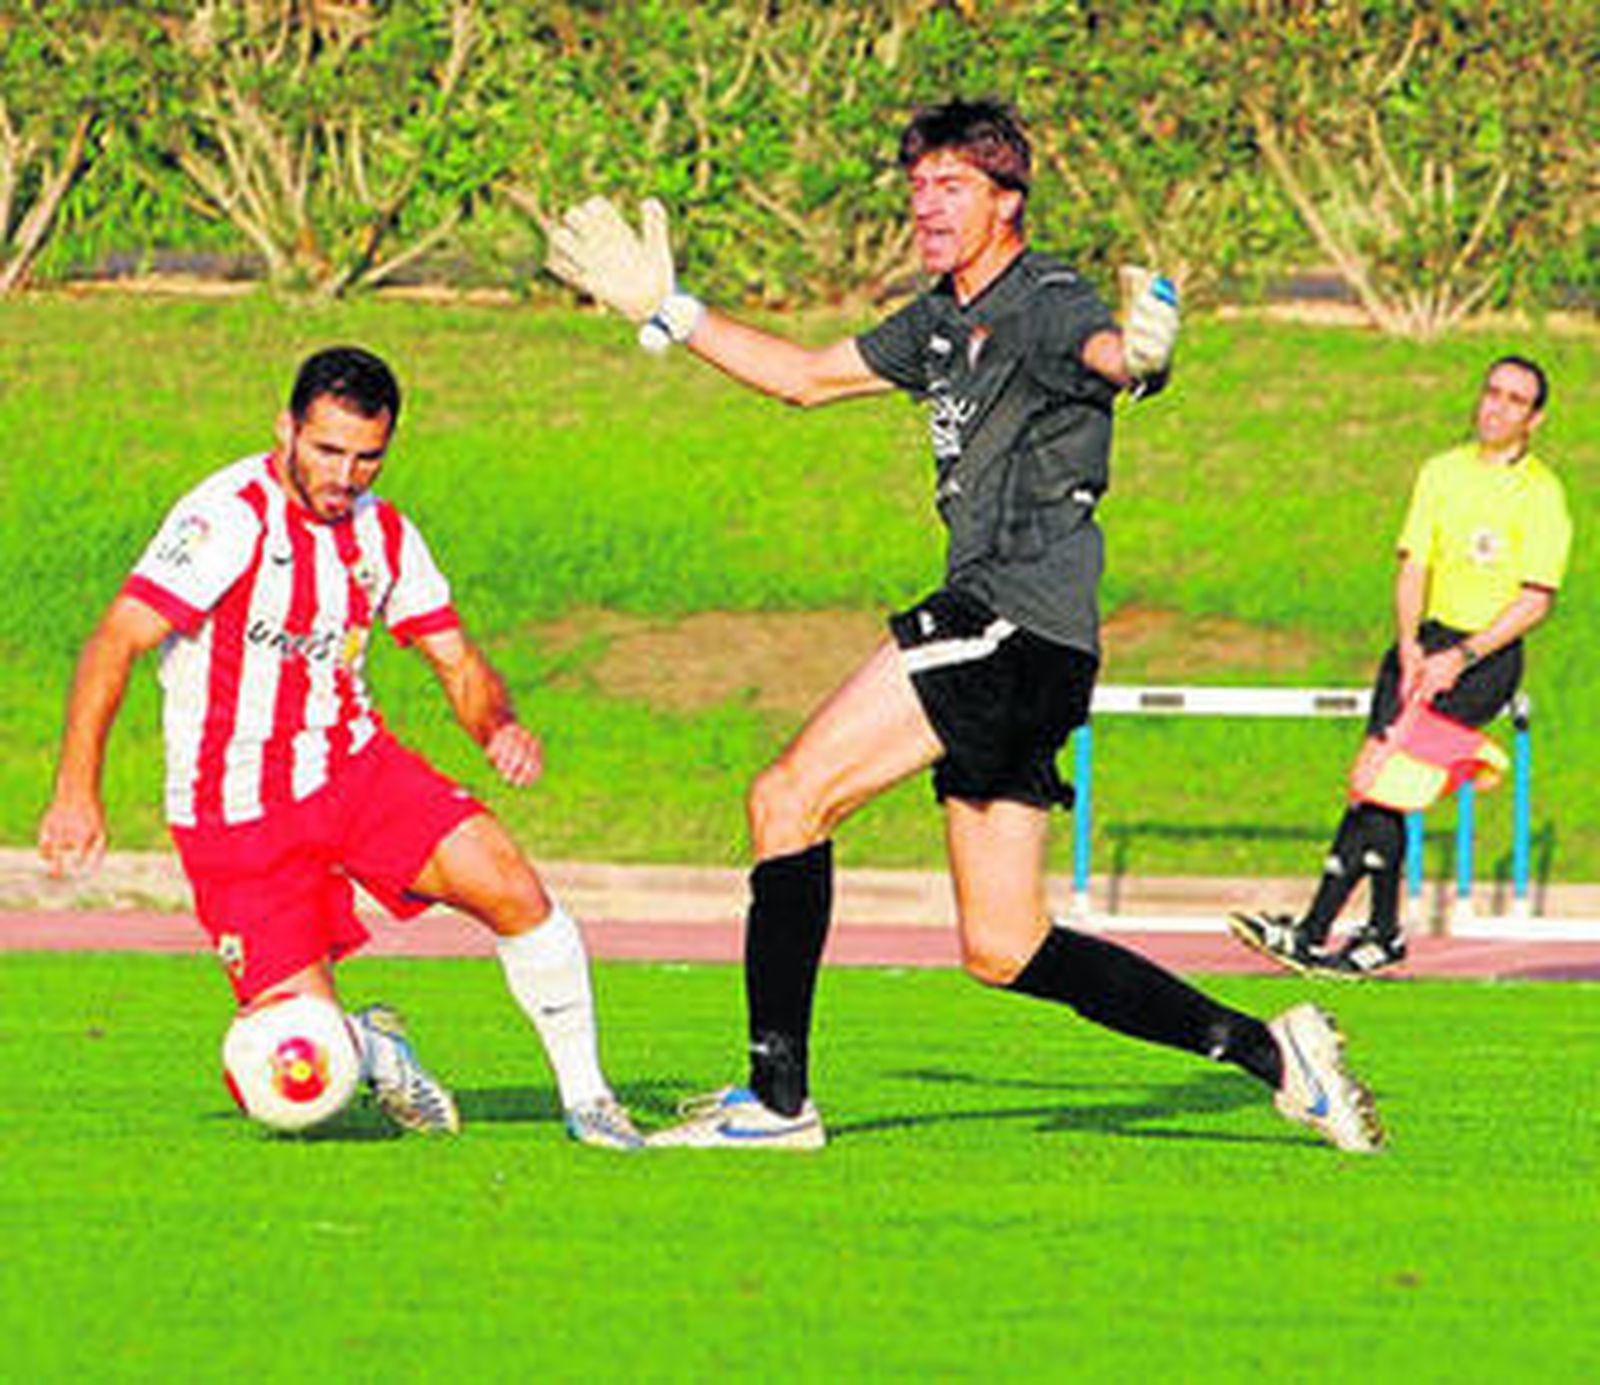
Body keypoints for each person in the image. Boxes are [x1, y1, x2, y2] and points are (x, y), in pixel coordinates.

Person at [545, 98, 1383, 1153]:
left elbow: (1112, 353)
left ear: (1006, 200)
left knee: (785, 797)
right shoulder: (940, 317)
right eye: (916, 189)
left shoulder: (1041, 298)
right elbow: (806, 380)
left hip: (1007, 616)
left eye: (951, 188)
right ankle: (1278, 1055)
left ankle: (776, 1100)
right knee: (1003, 943)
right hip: (1036, 646)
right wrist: (669, 308)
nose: (925, 206)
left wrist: (1150, 354)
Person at [36, 346, 642, 1148]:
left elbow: (454, 658)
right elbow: (115, 641)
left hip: (352, 770)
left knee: (510, 883)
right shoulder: (226, 518)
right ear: (286, 428)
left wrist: (497, 724)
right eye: (327, 450)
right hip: (235, 809)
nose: (345, 476)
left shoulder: (383, 533)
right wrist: (78, 789)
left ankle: (590, 1100)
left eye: (367, 457)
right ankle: (370, 1044)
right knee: (296, 1069)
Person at [1230, 356, 1572, 976]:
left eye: (1515, 400)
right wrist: (1410, 644)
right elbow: (1414, 564)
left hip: (1483, 658)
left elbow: (1535, 599)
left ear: (1534, 418)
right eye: (1491, 392)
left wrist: (1461, 657)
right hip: (1424, 644)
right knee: (1374, 781)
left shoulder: (1542, 493)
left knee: (1389, 782)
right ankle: (1373, 933)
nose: (1496, 407)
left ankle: (1319, 931)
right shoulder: (1442, 472)